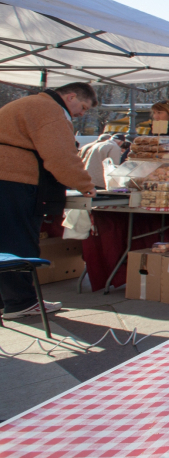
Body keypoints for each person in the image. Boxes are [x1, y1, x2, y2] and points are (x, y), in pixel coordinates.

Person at [0, 82, 96, 320]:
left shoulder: (28, 103)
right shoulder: (49, 110)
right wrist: (86, 185)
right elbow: (61, 155)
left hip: (7, 178)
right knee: (18, 243)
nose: (81, 113)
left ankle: (9, 300)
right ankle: (21, 302)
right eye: (82, 107)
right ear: (71, 96)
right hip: (16, 182)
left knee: (4, 243)